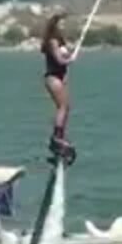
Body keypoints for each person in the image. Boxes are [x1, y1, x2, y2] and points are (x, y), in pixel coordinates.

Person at [40, 12, 75, 153]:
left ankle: (61, 135)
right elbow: (59, 60)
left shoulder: (60, 41)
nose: (64, 25)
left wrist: (69, 55)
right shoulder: (53, 41)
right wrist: (69, 60)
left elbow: (63, 58)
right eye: (61, 23)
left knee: (66, 107)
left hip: (59, 77)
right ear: (56, 24)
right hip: (53, 78)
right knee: (62, 107)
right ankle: (57, 137)